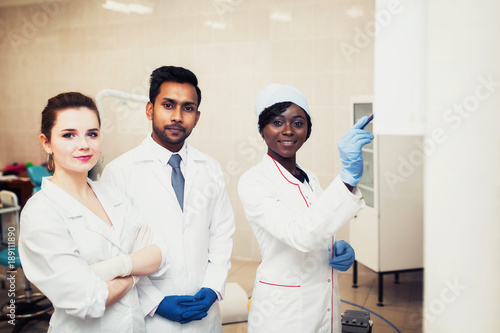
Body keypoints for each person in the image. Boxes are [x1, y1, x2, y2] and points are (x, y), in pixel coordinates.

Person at [18, 92, 169, 333]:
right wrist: (135, 270)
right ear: (46, 142)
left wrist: (111, 268)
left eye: (92, 134)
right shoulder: (41, 213)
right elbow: (88, 299)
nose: (84, 145)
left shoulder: (112, 194)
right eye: (69, 135)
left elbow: (159, 252)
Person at [101, 65, 235, 332]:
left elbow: (222, 235)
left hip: (203, 312)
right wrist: (156, 302)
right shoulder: (119, 172)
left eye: (187, 108)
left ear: (196, 117)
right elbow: (117, 252)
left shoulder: (210, 168)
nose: (177, 116)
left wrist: (211, 288)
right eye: (168, 105)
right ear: (150, 109)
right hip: (150, 316)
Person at [238, 84, 374, 332]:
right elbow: (300, 235)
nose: (288, 130)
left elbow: (318, 223)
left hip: (322, 303)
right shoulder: (254, 180)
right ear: (261, 129)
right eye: (277, 122)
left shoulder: (309, 178)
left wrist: (334, 247)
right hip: (282, 312)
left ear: (308, 130)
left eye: (298, 123)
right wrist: (347, 178)